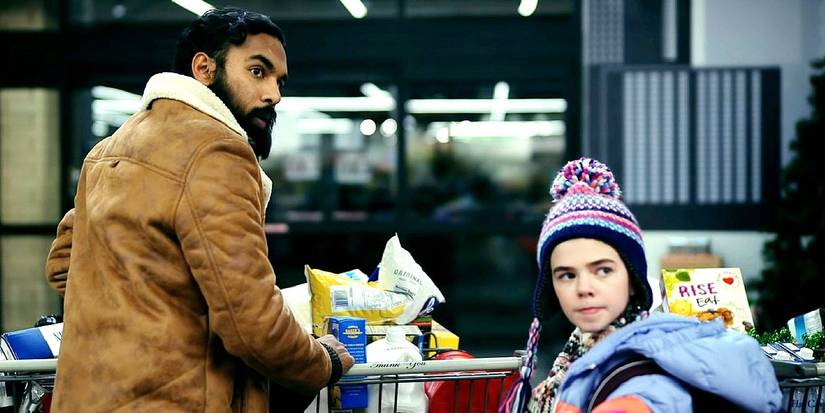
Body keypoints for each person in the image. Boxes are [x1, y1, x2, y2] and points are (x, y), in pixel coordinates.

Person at [44, 7, 353, 412]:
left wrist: (149, 312)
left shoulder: (110, 149)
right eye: (258, 72)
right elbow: (252, 324)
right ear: (204, 69)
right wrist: (322, 361)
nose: (274, 94)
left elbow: (65, 264)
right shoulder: (217, 151)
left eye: (279, 81)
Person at [500, 158, 782, 413]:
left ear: (633, 279)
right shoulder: (584, 351)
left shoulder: (640, 378)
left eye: (603, 270)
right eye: (567, 275)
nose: (583, 287)